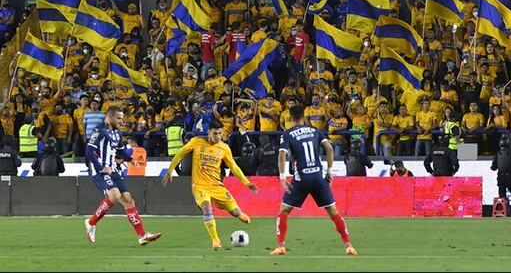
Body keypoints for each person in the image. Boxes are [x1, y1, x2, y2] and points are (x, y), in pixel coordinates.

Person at [272, 105, 357, 256]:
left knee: (283, 211)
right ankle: (348, 245)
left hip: (301, 179)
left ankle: (281, 246)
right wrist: (329, 172)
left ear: (290, 117)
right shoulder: (315, 131)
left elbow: (282, 155)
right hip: (318, 177)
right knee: (333, 211)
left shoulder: (288, 134)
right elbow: (329, 149)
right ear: (304, 117)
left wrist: (283, 177)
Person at [162, 118, 257, 250]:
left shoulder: (224, 148)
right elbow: (180, 154)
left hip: (216, 186)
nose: (218, 136)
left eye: (220, 133)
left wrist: (247, 183)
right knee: (207, 207)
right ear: (209, 132)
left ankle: (239, 214)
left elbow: (233, 167)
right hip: (199, 185)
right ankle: (216, 240)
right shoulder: (196, 142)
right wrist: (169, 171)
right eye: (215, 133)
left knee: (235, 212)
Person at [83, 106, 161, 245]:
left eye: (122, 118)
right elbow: (89, 151)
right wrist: (101, 167)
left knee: (128, 200)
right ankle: (91, 223)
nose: (121, 121)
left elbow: (121, 152)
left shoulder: (117, 133)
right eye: (118, 118)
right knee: (114, 195)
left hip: (113, 169)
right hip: (99, 170)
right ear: (109, 117)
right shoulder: (99, 131)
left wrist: (130, 160)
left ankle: (142, 235)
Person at [491, 135, 511, 216]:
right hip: (510, 177)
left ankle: (502, 213)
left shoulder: (497, 153)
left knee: (502, 197)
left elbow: (493, 167)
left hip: (501, 177)